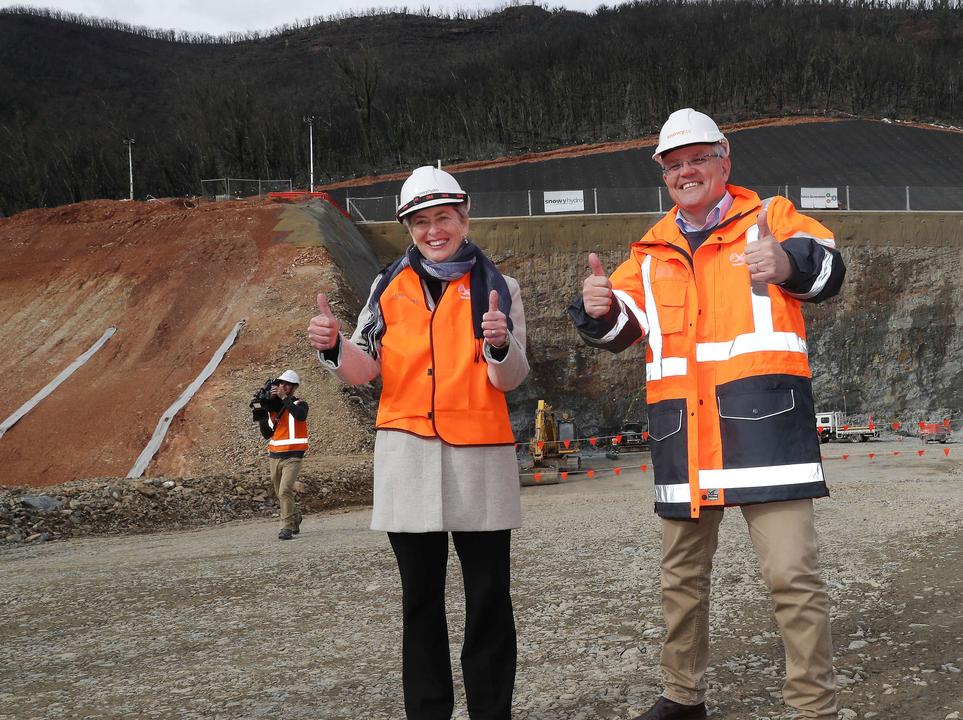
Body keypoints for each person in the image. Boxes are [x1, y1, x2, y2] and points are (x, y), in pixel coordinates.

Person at [569, 108, 847, 720]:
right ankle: (681, 697)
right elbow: (624, 326)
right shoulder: (649, 251)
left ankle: (813, 707)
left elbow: (828, 267)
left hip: (765, 433)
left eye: (697, 159)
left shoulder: (772, 219)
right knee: (681, 583)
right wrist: (595, 309)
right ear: (664, 177)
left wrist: (789, 266)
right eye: (674, 165)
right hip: (685, 440)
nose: (686, 171)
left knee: (793, 579)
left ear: (725, 160)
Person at [307, 166, 528, 720]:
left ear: (464, 217)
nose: (434, 231)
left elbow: (512, 378)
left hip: (479, 457)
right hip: (409, 461)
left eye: (444, 219)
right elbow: (363, 368)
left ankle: (491, 714)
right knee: (420, 604)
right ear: (409, 226)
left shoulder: (499, 289)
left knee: (488, 602)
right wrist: (334, 347)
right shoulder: (387, 287)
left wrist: (499, 345)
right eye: (422, 222)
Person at [256, 369, 308, 541]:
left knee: (285, 489)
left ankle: (286, 528)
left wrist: (284, 398)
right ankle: (295, 516)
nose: (282, 387)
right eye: (280, 384)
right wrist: (262, 410)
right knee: (280, 492)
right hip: (275, 455)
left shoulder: (300, 404)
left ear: (293, 388)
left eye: (286, 385)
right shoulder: (274, 409)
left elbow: (300, 416)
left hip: (294, 456)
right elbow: (266, 434)